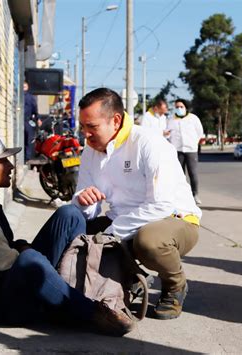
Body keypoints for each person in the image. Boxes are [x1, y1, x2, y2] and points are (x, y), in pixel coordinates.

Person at [0, 133, 135, 336]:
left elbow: (7, 246)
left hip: (10, 282)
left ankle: (74, 290)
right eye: (3, 161)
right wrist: (27, 251)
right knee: (29, 258)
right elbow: (6, 263)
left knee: (70, 214)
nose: (10, 167)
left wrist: (24, 247)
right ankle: (90, 312)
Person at [73, 88, 201, 320]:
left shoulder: (149, 143)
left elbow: (162, 204)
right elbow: (88, 206)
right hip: (122, 220)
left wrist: (113, 233)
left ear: (116, 120)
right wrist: (83, 199)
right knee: (76, 233)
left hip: (175, 219)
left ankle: (175, 285)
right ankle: (130, 278)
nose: (86, 134)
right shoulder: (90, 152)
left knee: (148, 241)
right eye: (82, 127)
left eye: (92, 127)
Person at [166, 99, 204, 204]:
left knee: (193, 173)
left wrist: (193, 142)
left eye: (181, 107)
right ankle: (181, 196)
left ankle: (195, 194)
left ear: (186, 107)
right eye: (177, 107)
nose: (179, 109)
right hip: (177, 150)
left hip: (191, 150)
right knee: (179, 174)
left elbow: (200, 132)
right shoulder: (171, 119)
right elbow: (167, 133)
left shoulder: (193, 118)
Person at [23, 81, 38, 162]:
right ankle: (26, 157)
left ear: (27, 87)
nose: (24, 88)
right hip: (25, 120)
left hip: (27, 120)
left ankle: (27, 157)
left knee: (28, 139)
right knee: (28, 139)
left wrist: (36, 118)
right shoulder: (20, 96)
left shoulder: (30, 97)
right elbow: (35, 110)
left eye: (25, 86)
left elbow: (34, 109)